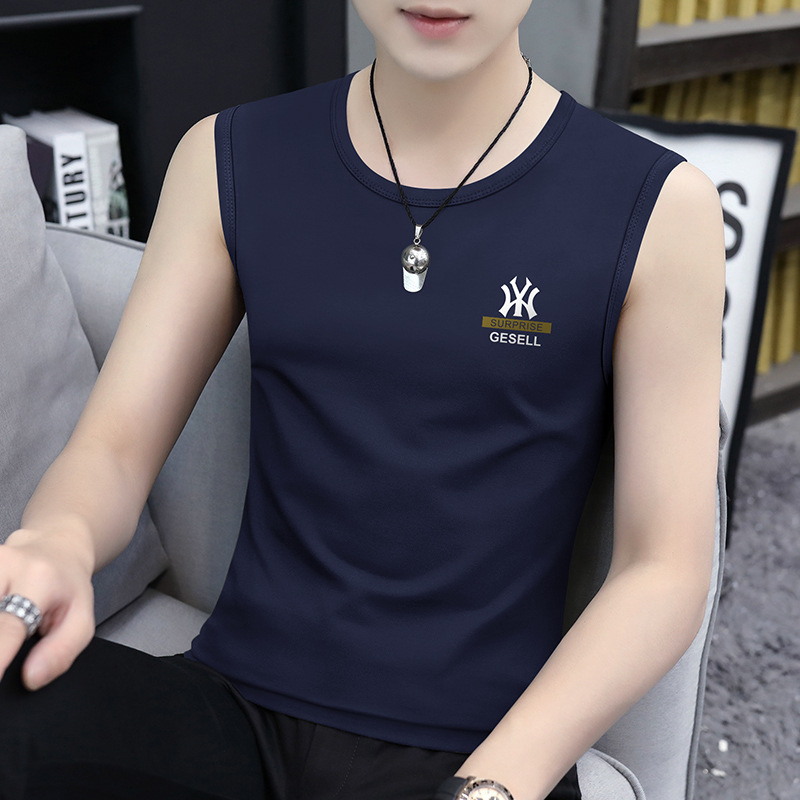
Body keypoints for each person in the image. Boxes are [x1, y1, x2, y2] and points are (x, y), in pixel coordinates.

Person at [0, 2, 725, 799]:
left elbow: (664, 568)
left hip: (473, 753)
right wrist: (59, 540)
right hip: (233, 711)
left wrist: (495, 785)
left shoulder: (660, 209)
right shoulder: (227, 155)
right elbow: (113, 447)